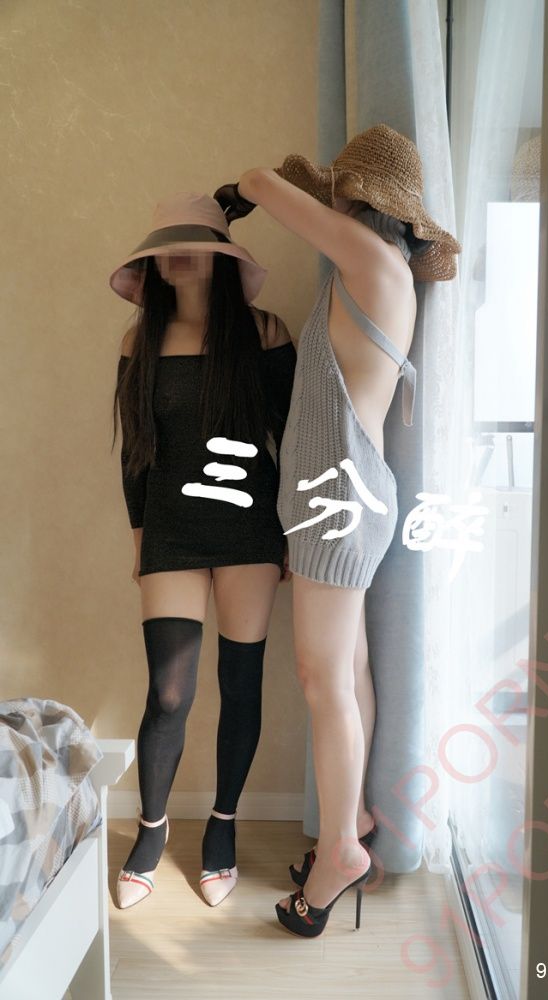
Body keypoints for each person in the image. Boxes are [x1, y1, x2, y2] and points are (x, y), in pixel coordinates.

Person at [215, 123, 460, 937]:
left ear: (357, 200)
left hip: (338, 496)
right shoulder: (372, 270)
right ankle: (348, 823)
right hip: (338, 494)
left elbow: (260, 180)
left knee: (323, 679)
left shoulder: (372, 262)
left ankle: (338, 856)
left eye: (338, 194)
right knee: (342, 673)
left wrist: (241, 192)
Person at [109, 192, 296, 909]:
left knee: (240, 683)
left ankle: (222, 827)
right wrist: (140, 541)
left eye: (195, 245)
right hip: (171, 530)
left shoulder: (265, 332)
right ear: (152, 262)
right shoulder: (139, 340)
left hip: (250, 528)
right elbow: (135, 453)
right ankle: (152, 830)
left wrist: (293, 532)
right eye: (167, 247)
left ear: (222, 258)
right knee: (169, 693)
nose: (178, 257)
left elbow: (293, 439)